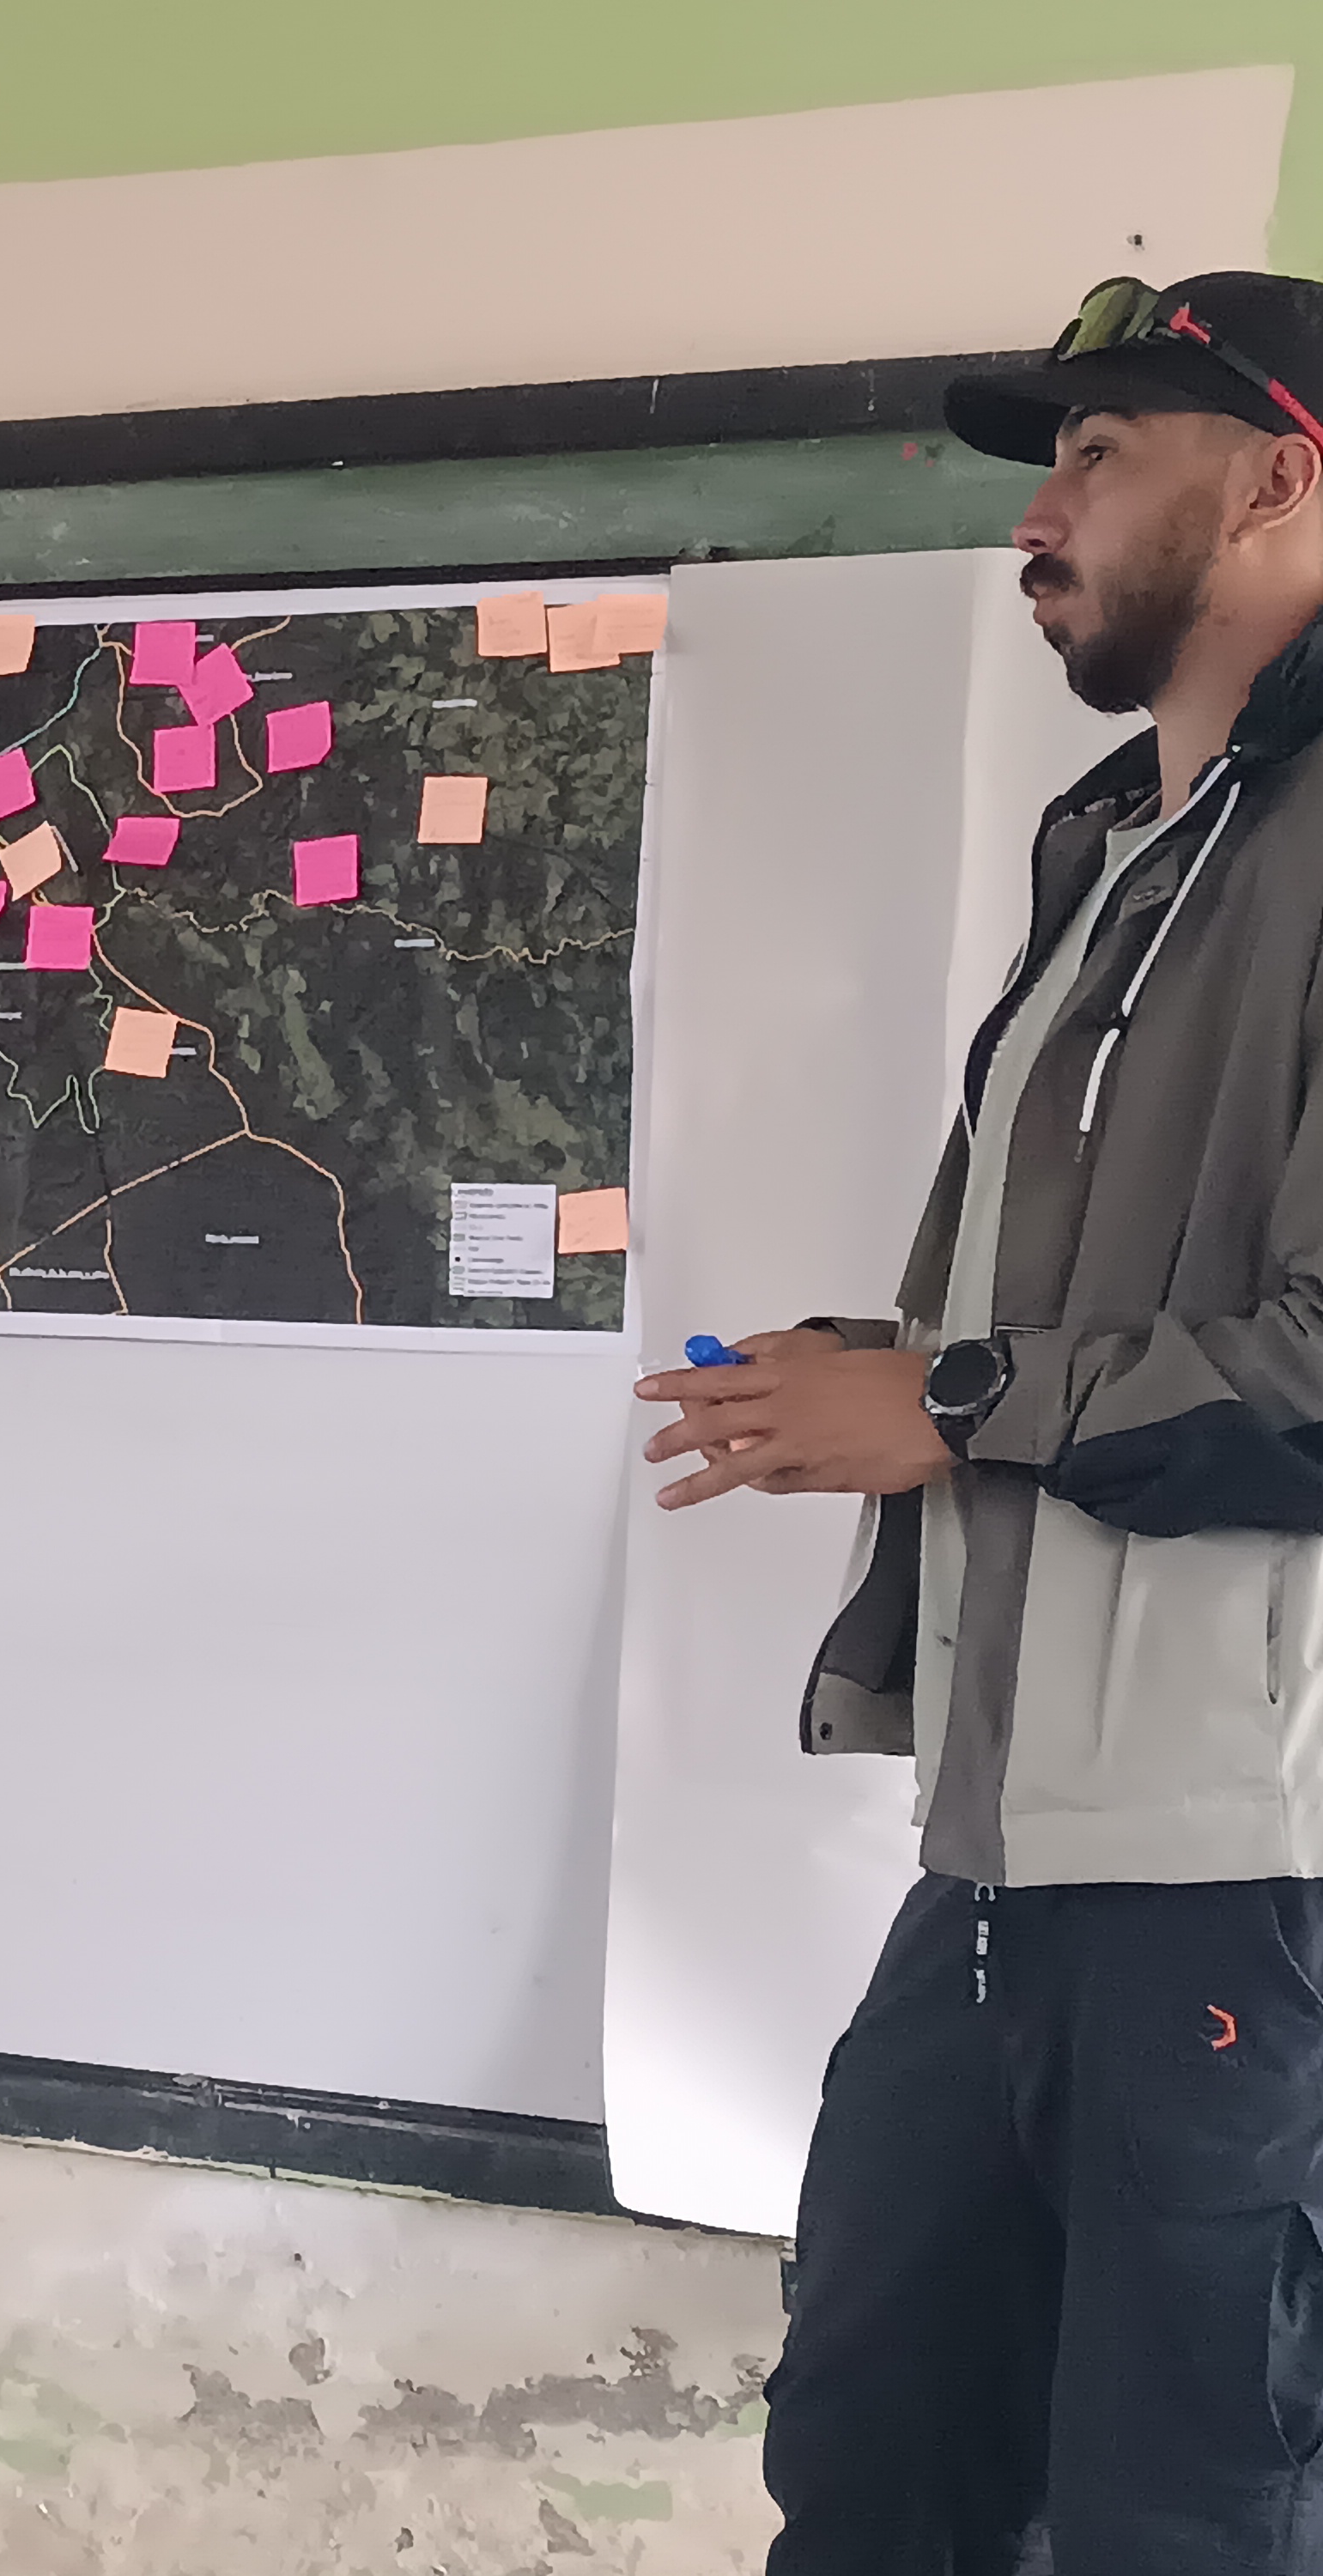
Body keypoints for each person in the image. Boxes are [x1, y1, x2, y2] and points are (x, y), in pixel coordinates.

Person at [629, 270, 1323, 2569]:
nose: (1038, 513)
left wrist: (943, 1398)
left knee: (1184, 2517)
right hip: (1006, 1859)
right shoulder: (1115, 847)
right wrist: (886, 1358)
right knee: (874, 2467)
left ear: (1281, 475)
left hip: (1247, 1881)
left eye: (1097, 456)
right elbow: (1102, 1316)